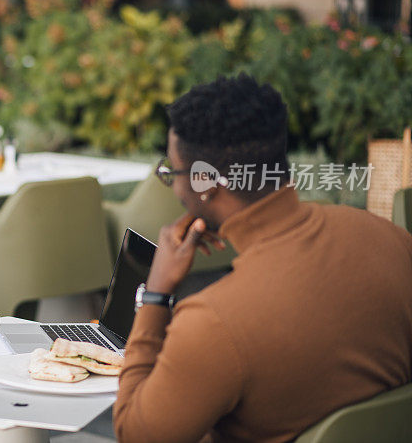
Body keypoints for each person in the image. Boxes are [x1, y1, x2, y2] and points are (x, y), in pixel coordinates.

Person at [114, 74, 412, 442]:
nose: (174, 186)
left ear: (206, 183)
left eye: (172, 172)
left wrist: (156, 295)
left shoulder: (214, 323)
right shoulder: (390, 239)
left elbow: (135, 435)